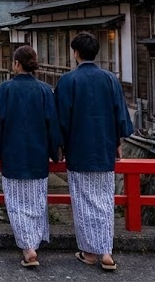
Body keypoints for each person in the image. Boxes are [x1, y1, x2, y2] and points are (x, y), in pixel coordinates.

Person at [54, 32, 134, 272]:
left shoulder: (68, 81)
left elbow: (62, 120)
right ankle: (106, 252)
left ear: (75, 53)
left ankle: (89, 253)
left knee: (83, 202)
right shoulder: (110, 79)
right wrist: (117, 141)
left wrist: (59, 146)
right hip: (104, 148)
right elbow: (120, 114)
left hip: (78, 149)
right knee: (104, 201)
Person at [0, 45, 62, 269]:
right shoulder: (45, 90)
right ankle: (32, 243)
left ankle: (28, 248)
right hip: (37, 156)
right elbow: (52, 125)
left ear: (16, 64)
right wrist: (56, 150)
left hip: (13, 155)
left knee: (16, 204)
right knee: (36, 203)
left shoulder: (5, 89)